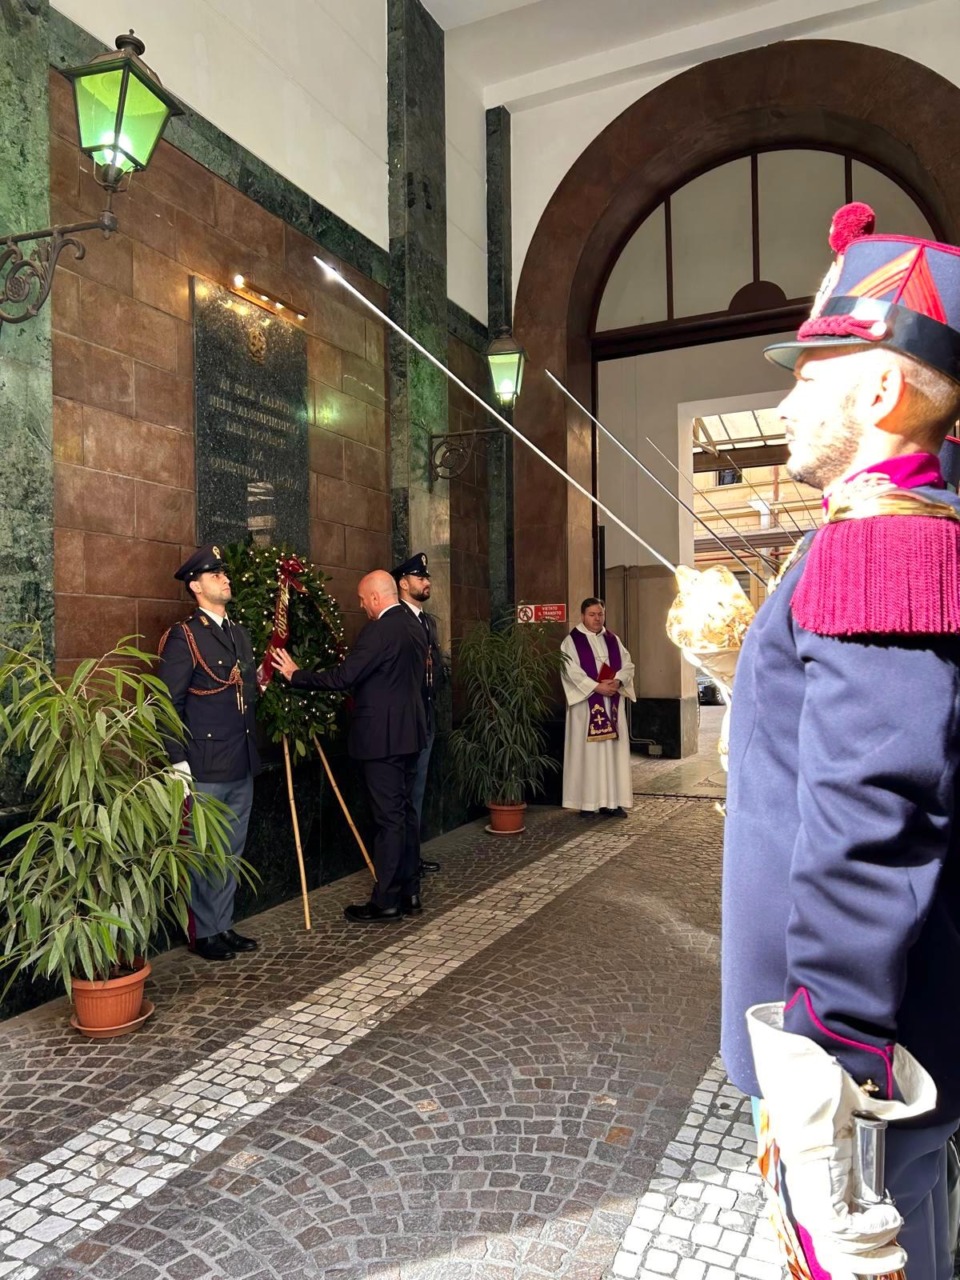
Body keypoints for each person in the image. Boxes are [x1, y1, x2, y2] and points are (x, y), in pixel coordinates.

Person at [722, 202, 960, 1278]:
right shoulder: (899, 535)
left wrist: (832, 1075)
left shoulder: (884, 548)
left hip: (864, 1054)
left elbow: (872, 817)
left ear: (881, 390)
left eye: (812, 374)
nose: (786, 398)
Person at [272, 570, 427, 924]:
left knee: (388, 820)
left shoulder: (380, 629)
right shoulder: (413, 623)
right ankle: (409, 890)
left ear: (375, 597)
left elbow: (345, 677)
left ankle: (386, 900)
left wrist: (297, 674)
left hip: (382, 740)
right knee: (404, 815)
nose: (360, 606)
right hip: (409, 735)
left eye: (361, 599)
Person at [158, 545, 261, 962]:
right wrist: (176, 761)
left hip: (240, 759)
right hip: (203, 764)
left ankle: (221, 924)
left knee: (231, 852)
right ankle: (202, 933)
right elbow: (167, 702)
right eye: (215, 574)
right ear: (196, 585)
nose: (225, 578)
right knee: (203, 853)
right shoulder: (184, 637)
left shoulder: (238, 634)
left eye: (224, 572)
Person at [560, 597, 636, 818]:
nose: (597, 618)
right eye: (592, 614)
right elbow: (570, 671)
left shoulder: (613, 640)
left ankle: (613, 802)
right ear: (583, 615)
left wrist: (619, 681)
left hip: (611, 706)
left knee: (613, 753)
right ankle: (588, 803)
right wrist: (595, 687)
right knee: (589, 755)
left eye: (600, 614)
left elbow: (628, 664)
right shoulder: (571, 642)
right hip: (586, 709)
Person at [393, 551, 443, 874]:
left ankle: (413, 855)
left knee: (419, 793)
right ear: (403, 582)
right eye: (419, 577)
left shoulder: (428, 621)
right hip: (402, 723)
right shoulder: (395, 620)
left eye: (426, 577)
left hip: (425, 718)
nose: (426, 582)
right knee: (402, 796)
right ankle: (400, 861)